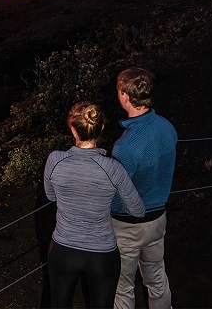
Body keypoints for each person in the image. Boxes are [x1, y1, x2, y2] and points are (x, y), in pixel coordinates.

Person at [44, 102, 146, 308]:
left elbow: (50, 196)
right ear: (101, 128)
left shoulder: (55, 160)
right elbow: (138, 210)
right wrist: (108, 203)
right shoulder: (113, 168)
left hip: (63, 250)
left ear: (73, 130)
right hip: (101, 254)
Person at [110, 67, 178, 309]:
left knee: (122, 286)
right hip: (158, 219)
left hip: (128, 226)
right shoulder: (167, 127)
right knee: (157, 278)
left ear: (125, 96)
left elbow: (117, 195)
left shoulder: (125, 146)